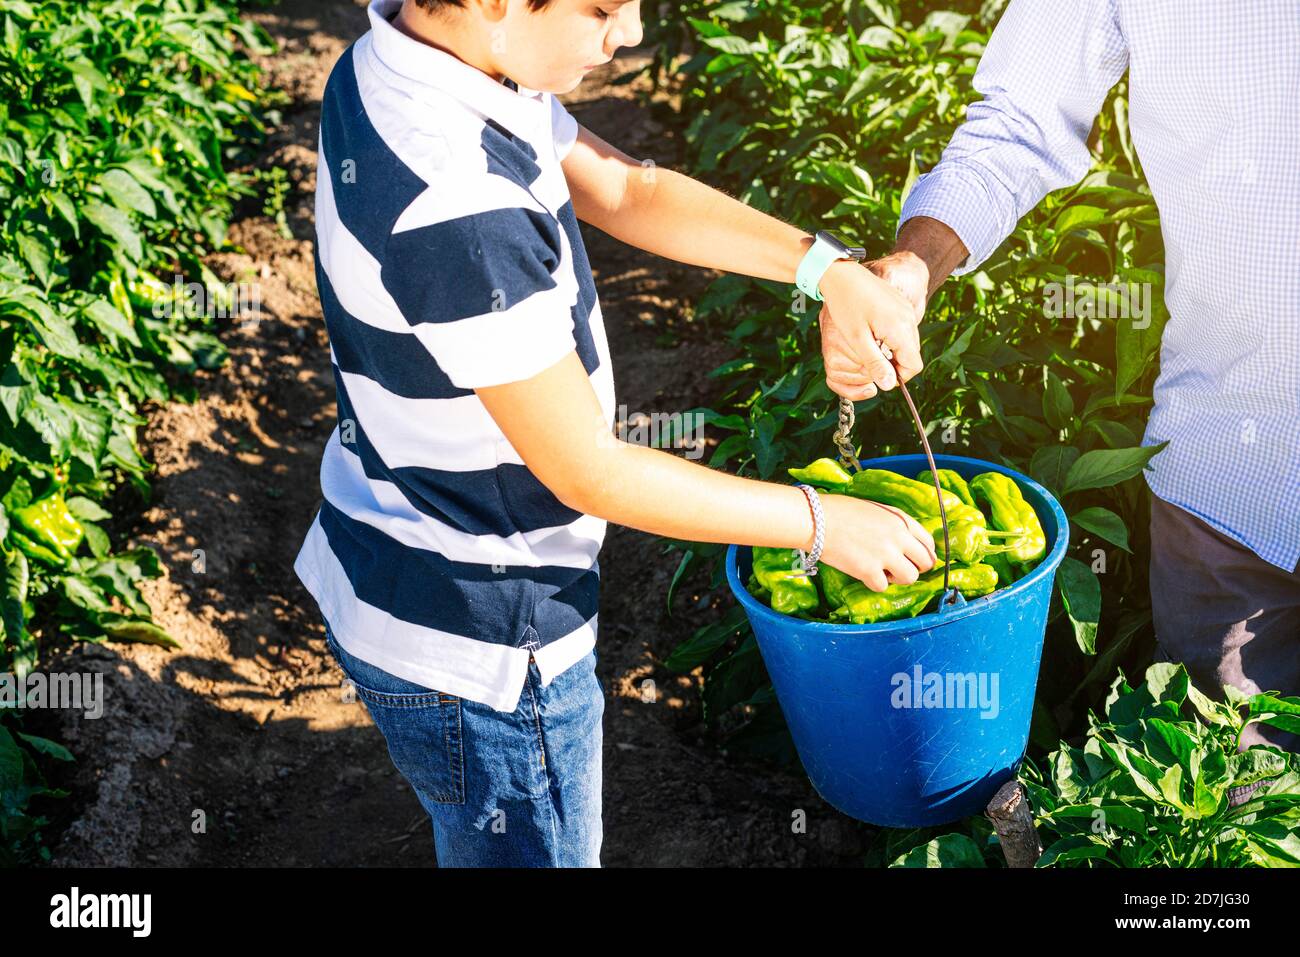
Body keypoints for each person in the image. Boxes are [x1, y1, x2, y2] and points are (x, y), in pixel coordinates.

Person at [293, 0, 936, 867]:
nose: (629, 33)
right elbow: (587, 469)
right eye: (603, 9)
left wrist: (827, 271)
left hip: (402, 552)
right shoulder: (457, 201)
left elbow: (627, 188)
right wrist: (822, 520)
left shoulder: (416, 61)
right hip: (491, 647)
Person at [863, 0, 1300, 759]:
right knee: (1232, 813)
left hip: (1225, 472)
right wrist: (914, 263)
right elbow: (1020, 121)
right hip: (1232, 483)